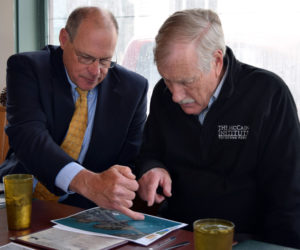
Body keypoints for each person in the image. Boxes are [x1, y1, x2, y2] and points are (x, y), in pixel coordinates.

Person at [136, 8, 300, 248]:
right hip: (177, 236)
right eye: (167, 79)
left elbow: (288, 197)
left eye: (186, 81)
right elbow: (149, 153)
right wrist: (152, 168)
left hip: (247, 239)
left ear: (216, 60)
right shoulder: (163, 94)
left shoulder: (269, 95)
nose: (175, 95)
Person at [1, 6, 148, 220]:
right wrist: (88, 182)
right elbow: (29, 137)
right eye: (86, 57)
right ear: (64, 39)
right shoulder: (28, 68)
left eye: (105, 60)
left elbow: (129, 162)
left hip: (85, 212)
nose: (96, 71)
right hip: (19, 200)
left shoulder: (133, 89)